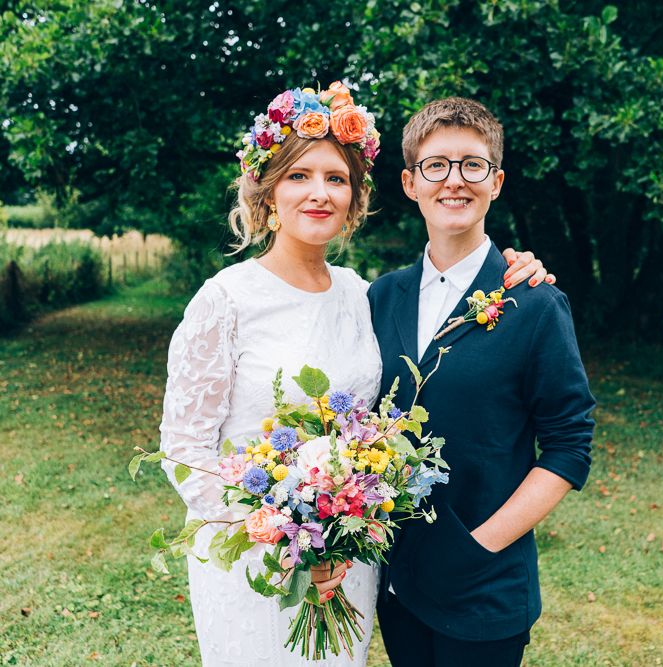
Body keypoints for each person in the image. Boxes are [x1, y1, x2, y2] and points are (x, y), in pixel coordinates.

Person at [158, 84, 551, 667]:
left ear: (355, 198)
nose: (319, 193)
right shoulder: (226, 301)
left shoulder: (362, 295)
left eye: (335, 179)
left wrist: (517, 266)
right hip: (258, 563)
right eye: (299, 176)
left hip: (350, 559)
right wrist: (286, 533)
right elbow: (185, 451)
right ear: (267, 194)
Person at [367, 97, 596, 667]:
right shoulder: (380, 296)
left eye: (472, 165)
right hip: (396, 580)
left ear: (496, 181)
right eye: (435, 165)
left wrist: (481, 544)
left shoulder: (535, 302)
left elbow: (569, 446)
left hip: (484, 583)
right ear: (409, 182)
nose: (454, 181)